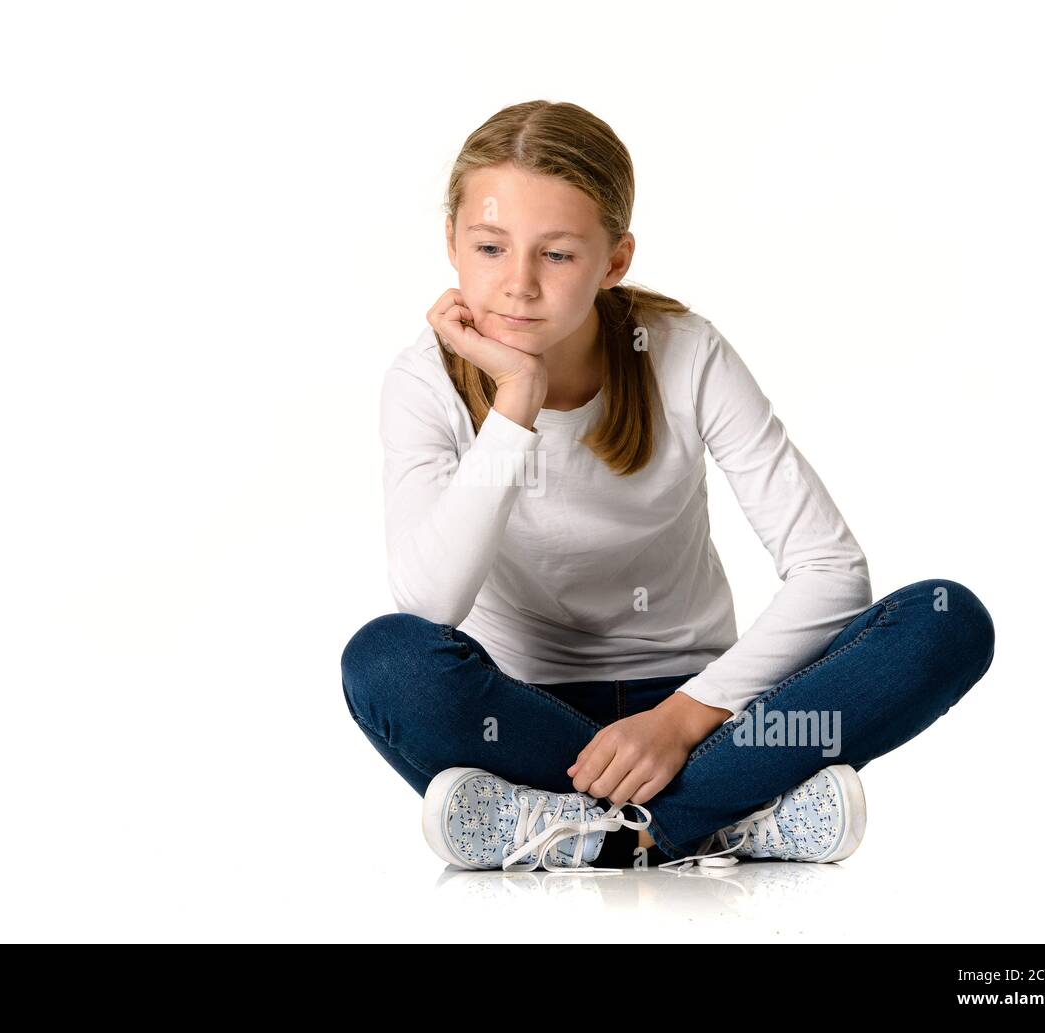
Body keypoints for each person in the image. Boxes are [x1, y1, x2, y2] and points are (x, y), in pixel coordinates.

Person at [341, 99, 995, 874]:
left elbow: (831, 569)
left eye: (556, 255)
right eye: (489, 247)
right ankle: (731, 819)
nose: (516, 286)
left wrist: (685, 716)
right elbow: (429, 605)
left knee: (947, 622)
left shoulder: (684, 351)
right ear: (451, 242)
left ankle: (586, 832)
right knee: (386, 661)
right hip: (525, 717)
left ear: (614, 261)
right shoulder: (421, 381)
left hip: (712, 708)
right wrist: (515, 400)